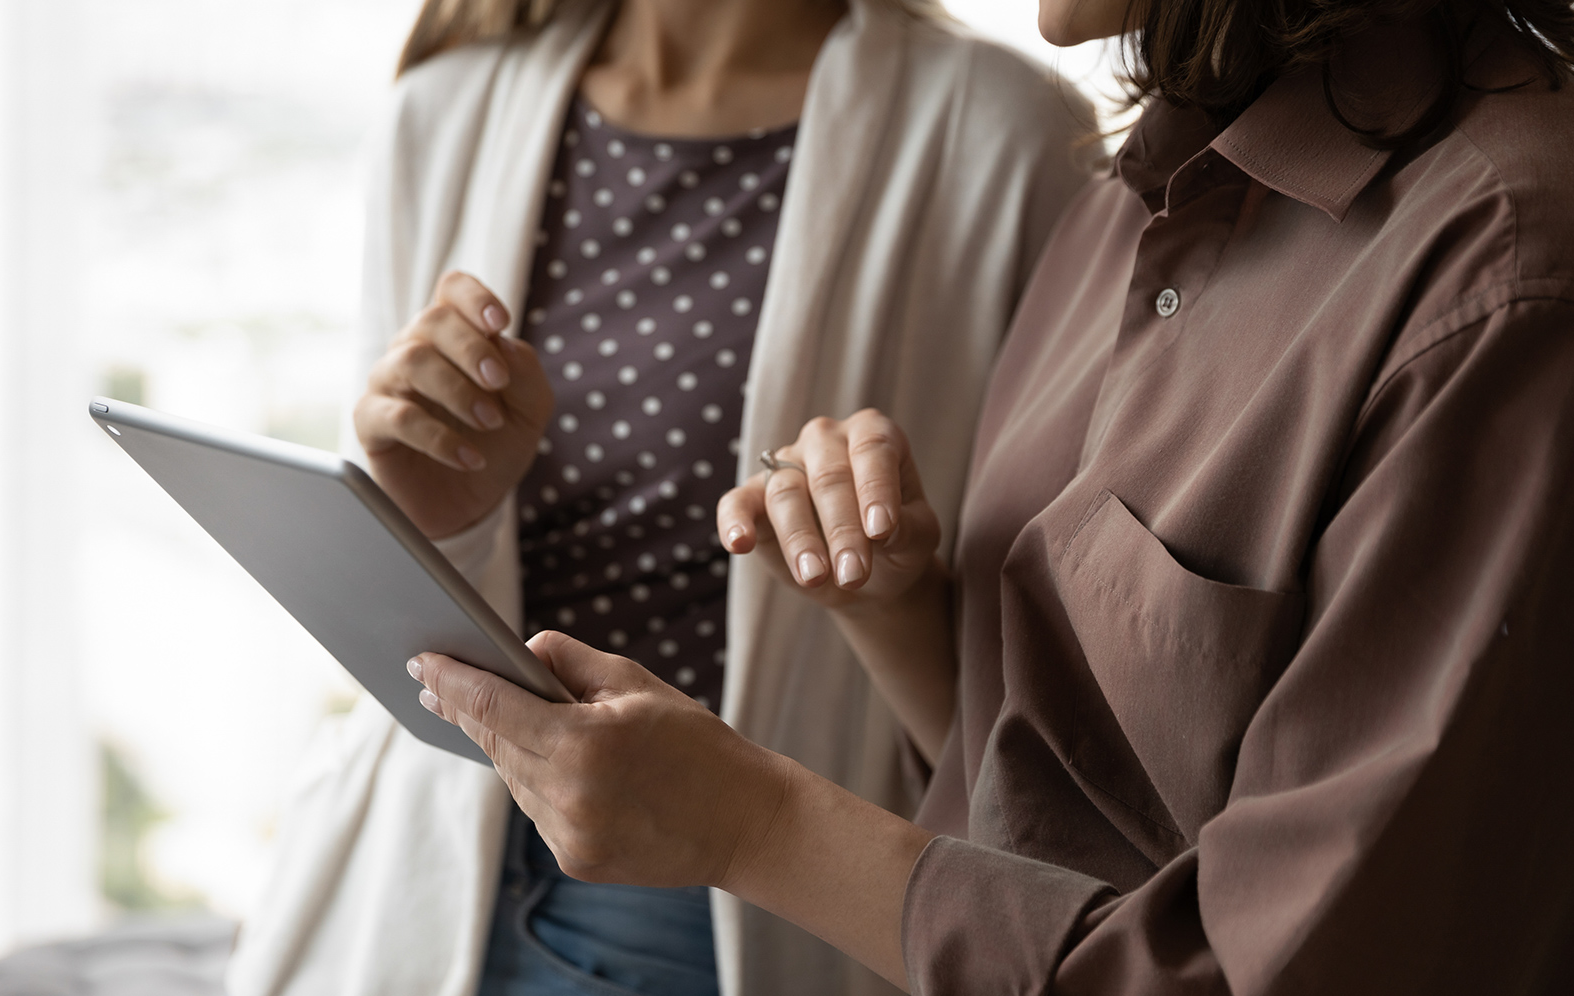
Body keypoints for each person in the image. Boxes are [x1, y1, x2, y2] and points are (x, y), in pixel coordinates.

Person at [401, 0, 1574, 989]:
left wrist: (750, 824)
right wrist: (885, 598)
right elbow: (1009, 781)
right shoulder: (1126, 204)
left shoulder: (1512, 276)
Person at [225, 0, 1091, 993]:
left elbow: (1024, 733)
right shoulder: (440, 113)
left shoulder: (1004, 133)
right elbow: (388, 634)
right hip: (422, 873)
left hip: (734, 905)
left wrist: (882, 589)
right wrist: (439, 519)